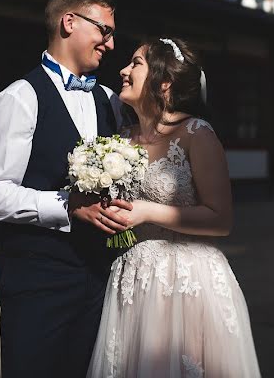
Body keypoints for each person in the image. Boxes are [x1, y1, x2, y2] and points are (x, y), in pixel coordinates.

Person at [0, 0, 133, 378]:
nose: (110, 45)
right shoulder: (18, 99)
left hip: (98, 276)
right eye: (104, 31)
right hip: (36, 280)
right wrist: (66, 205)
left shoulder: (112, 100)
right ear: (69, 22)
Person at [87, 38, 261, 377]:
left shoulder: (196, 134)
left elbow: (221, 219)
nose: (123, 70)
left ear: (164, 82)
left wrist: (147, 211)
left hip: (186, 281)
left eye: (135, 63)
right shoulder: (120, 141)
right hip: (131, 279)